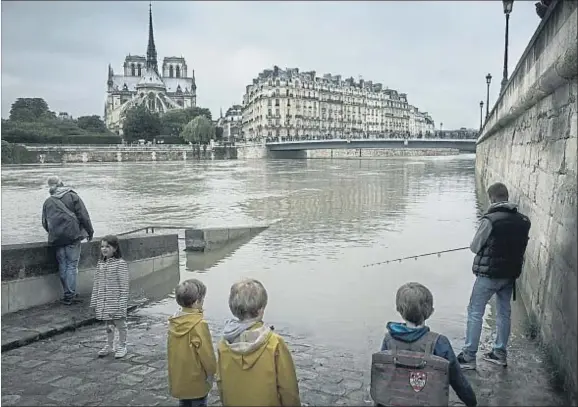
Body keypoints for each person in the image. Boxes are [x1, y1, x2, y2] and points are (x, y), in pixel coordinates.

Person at [458, 182, 531, 370]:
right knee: (504, 312)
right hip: (509, 276)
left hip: (488, 275)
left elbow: (475, 247)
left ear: (492, 198)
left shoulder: (490, 220)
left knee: (475, 312)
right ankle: (499, 353)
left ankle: (468, 357)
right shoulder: (523, 221)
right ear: (506, 196)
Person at [378, 282, 477, 407]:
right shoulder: (440, 342)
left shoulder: (389, 339)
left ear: (398, 309)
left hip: (397, 400)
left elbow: (383, 374)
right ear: (431, 311)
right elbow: (457, 379)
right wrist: (471, 401)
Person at [216, 278, 300, 407]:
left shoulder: (224, 344)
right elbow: (287, 386)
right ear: (261, 309)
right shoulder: (274, 343)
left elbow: (221, 382)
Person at [42, 175, 94, 305]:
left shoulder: (48, 202)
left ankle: (67, 294)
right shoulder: (72, 196)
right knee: (71, 265)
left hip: (57, 238)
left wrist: (54, 233)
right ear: (62, 184)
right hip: (72, 236)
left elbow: (44, 222)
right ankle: (69, 295)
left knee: (63, 265)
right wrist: (90, 231)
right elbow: (84, 216)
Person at [168, 279, 217, 407]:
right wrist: (212, 371)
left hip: (180, 378)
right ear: (196, 302)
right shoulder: (199, 324)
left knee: (184, 402)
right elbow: (207, 354)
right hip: (196, 380)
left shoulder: (174, 321)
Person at [90, 235, 129, 359]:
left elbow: (124, 286)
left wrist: (122, 305)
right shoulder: (100, 264)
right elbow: (96, 284)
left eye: (107, 246)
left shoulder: (120, 264)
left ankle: (122, 345)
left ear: (115, 248)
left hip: (116, 302)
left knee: (120, 324)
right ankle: (109, 344)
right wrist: (94, 302)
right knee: (108, 325)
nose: (104, 249)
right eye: (102, 246)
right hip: (104, 301)